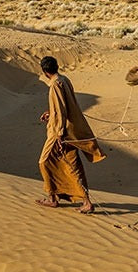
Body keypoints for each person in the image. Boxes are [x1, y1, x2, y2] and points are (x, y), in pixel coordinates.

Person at [36, 56, 106, 214]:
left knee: (45, 161)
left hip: (61, 132)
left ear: (45, 72)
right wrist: (51, 114)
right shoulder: (63, 79)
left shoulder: (55, 85)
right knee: (71, 164)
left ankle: (58, 199)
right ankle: (58, 198)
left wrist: (60, 134)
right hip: (69, 129)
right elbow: (63, 106)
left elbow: (61, 110)